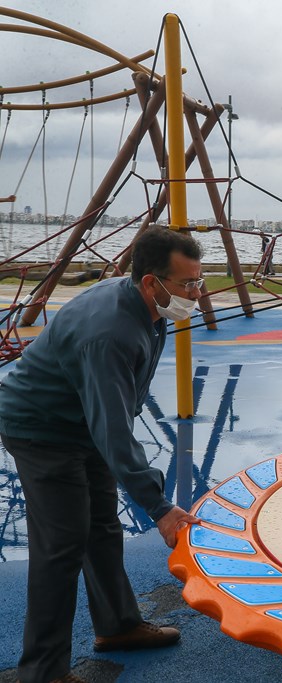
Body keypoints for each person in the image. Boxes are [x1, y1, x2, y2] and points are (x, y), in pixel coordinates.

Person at [0, 228, 204, 683]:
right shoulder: (110, 331)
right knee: (62, 545)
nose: (195, 294)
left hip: (80, 420)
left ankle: (117, 626)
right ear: (152, 282)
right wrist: (159, 506)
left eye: (198, 282)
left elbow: (108, 419)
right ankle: (43, 670)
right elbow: (112, 429)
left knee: (102, 526)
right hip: (41, 428)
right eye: (187, 285)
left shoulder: (147, 305)